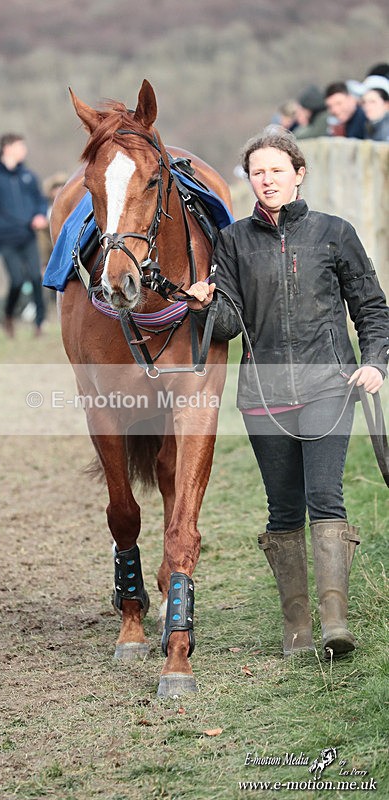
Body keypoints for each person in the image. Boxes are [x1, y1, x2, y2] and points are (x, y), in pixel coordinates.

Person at [185, 126, 389, 660]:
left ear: (299, 174)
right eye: (257, 172)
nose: (267, 179)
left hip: (330, 385)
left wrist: (374, 362)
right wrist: (205, 304)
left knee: (326, 497)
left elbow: (371, 306)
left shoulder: (333, 233)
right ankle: (296, 629)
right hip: (263, 395)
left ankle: (334, 623)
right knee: (282, 510)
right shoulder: (231, 242)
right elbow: (230, 324)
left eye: (277, 170)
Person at [0, 134, 48, 337]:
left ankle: (39, 324)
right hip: (5, 238)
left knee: (35, 277)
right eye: (20, 146)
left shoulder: (28, 176)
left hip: (28, 235)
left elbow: (39, 200)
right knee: (17, 280)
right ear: (7, 148)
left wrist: (40, 214)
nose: (24, 150)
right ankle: (8, 315)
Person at [360, 75, 389, 142]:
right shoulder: (370, 125)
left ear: (386, 104)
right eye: (364, 102)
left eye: (372, 102)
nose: (367, 107)